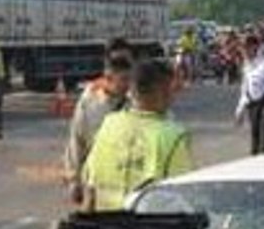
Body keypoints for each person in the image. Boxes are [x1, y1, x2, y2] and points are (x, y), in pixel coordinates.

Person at [82, 58, 193, 211]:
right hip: (149, 224)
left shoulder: (109, 125)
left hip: (104, 222)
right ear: (164, 91)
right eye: (172, 89)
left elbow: (90, 189)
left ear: (132, 91)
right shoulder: (174, 136)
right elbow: (182, 193)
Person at [64, 52, 133, 206]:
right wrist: (73, 179)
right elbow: (77, 140)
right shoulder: (89, 102)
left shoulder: (133, 104)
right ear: (108, 78)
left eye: (130, 79)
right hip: (95, 182)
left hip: (125, 181)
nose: (128, 85)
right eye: (123, 79)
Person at [234, 35, 264, 155]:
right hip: (253, 106)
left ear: (255, 47)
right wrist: (240, 110)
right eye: (243, 48)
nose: (244, 51)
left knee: (260, 134)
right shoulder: (246, 66)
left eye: (247, 47)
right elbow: (245, 90)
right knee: (259, 135)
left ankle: (256, 157)